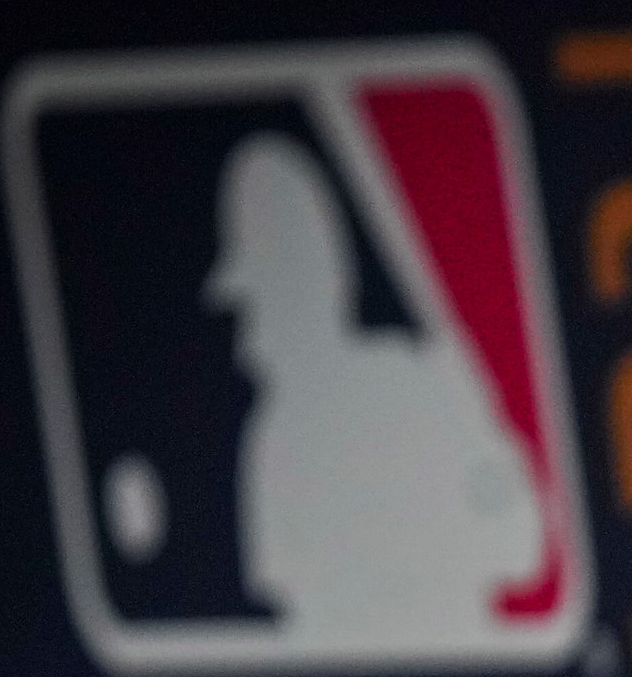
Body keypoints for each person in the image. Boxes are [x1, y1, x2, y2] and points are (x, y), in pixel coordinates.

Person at [208, 131, 542, 647]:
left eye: (260, 304)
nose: (247, 336)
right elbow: (291, 616)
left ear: (320, 286)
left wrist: (407, 567)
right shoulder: (275, 438)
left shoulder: (429, 388)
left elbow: (523, 540)